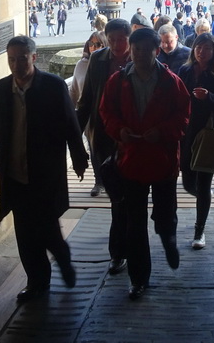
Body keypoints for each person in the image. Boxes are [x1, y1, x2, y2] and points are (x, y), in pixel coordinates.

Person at [0, 36, 89, 302]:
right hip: (15, 172)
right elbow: (0, 130)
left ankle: (63, 257)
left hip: (45, 173)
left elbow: (71, 123)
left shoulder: (53, 86)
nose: (17, 64)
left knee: (47, 229)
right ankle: (37, 282)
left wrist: (79, 158)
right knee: (24, 233)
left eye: (22, 58)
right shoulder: (0, 90)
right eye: (12, 59)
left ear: (33, 57)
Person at [100, 26, 191, 300]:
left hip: (162, 160)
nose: (139, 54)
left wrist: (162, 132)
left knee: (164, 214)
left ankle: (168, 239)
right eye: (135, 49)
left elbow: (183, 116)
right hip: (131, 160)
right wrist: (119, 130)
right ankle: (139, 278)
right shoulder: (117, 81)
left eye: (145, 49)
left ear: (157, 50)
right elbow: (107, 111)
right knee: (134, 223)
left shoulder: (171, 81)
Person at [76, 18, 132, 270]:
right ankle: (118, 252)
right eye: (113, 40)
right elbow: (87, 99)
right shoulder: (98, 60)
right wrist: (75, 138)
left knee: (133, 198)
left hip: (136, 139)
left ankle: (131, 250)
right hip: (107, 136)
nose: (118, 45)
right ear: (106, 38)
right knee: (117, 199)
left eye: (122, 39)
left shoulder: (141, 56)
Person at [177, 32, 214, 250]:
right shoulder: (185, 70)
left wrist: (208, 96)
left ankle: (200, 229)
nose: (202, 52)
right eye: (199, 47)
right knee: (188, 181)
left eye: (207, 48)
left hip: (207, 133)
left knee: (204, 180)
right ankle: (203, 197)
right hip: (186, 132)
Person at [69, 31, 108, 196]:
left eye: (98, 44)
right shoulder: (81, 65)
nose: (93, 47)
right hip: (90, 114)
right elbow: (74, 90)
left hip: (107, 114)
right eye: (91, 43)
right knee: (94, 148)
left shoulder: (105, 63)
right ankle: (99, 182)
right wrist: (70, 112)